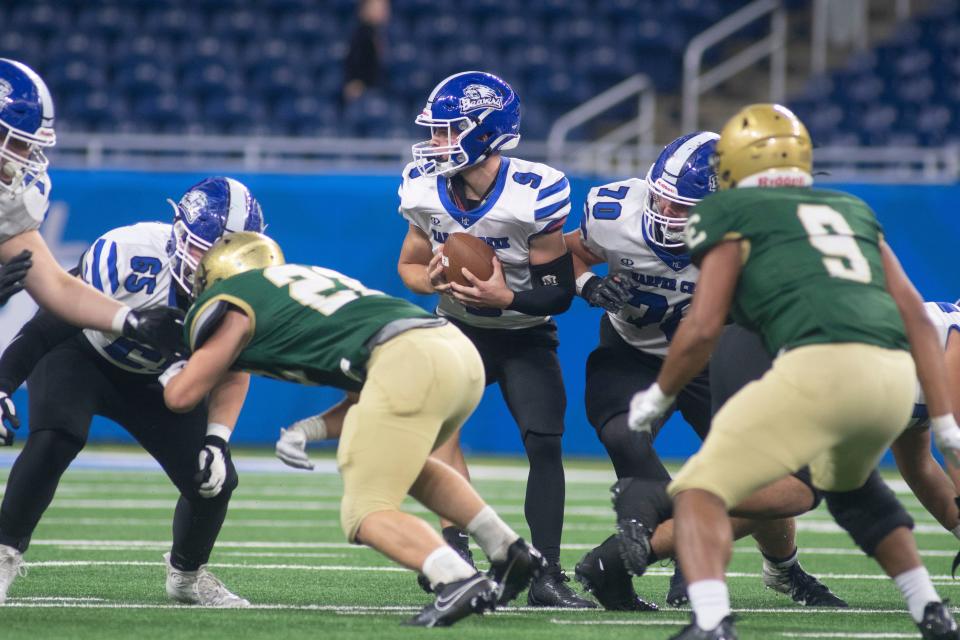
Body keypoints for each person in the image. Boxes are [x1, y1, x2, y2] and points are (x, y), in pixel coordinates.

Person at [626, 103, 960, 640]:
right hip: (896, 383)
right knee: (854, 492)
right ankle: (929, 609)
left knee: (699, 488)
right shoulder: (849, 207)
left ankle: (710, 622)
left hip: (821, 370)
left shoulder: (727, 216)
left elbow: (705, 325)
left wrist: (659, 395)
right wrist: (945, 424)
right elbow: (918, 318)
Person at [160, 231, 545, 627]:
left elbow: (182, 396)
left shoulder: (232, 300)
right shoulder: (304, 285)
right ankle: (509, 551)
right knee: (402, 465)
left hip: (407, 360)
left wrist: (162, 357)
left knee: (366, 512)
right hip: (454, 352)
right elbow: (366, 390)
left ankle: (456, 577)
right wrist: (309, 428)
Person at [565, 131, 844, 611]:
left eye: (681, 207)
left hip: (710, 359)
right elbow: (569, 251)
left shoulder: (747, 239)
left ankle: (784, 569)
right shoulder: (613, 212)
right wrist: (587, 283)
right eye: (660, 198)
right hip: (632, 350)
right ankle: (681, 553)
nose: (664, 213)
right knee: (625, 438)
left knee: (765, 468)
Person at [0, 177, 265, 606]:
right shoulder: (130, 254)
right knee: (57, 435)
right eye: (201, 248)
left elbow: (233, 371)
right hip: (80, 352)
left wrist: (218, 439)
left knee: (214, 478)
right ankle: (4, 552)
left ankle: (187, 575)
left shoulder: (244, 291)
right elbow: (47, 327)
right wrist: (3, 383)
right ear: (178, 233)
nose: (208, 264)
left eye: (224, 253)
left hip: (156, 379)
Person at [394, 70, 592, 607]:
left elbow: (556, 294)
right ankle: (455, 557)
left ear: (485, 131)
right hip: (456, 329)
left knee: (545, 442)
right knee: (440, 434)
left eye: (446, 130)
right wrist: (430, 280)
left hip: (525, 331)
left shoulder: (534, 193)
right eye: (433, 131)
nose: (435, 143)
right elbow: (409, 265)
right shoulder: (423, 187)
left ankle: (547, 575)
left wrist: (506, 299)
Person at [713, 301, 960, 573]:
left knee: (788, 491)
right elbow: (954, 445)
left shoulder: (929, 347)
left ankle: (680, 529)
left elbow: (920, 468)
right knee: (796, 491)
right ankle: (678, 528)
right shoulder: (951, 335)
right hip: (798, 368)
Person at [0, 58, 183, 355]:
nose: (26, 157)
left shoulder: (8, 202)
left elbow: (57, 287)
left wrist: (131, 321)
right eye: (18, 143)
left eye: (30, 146)